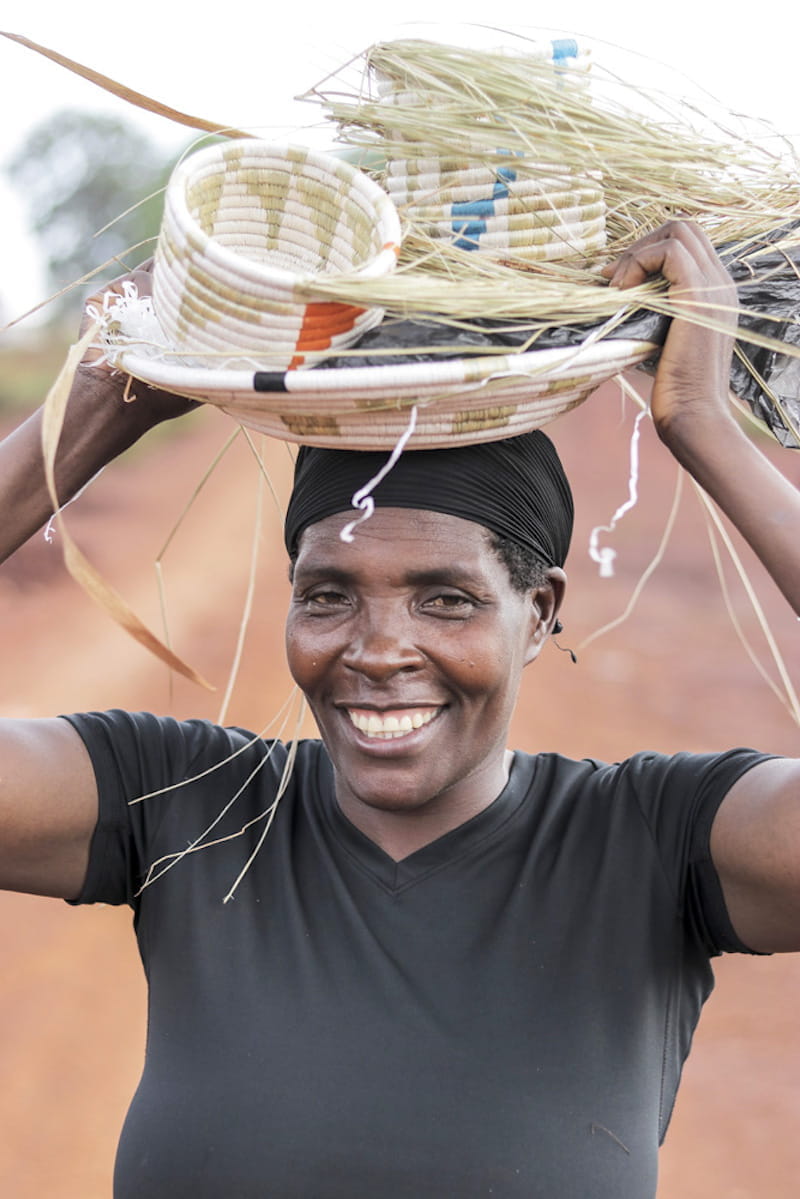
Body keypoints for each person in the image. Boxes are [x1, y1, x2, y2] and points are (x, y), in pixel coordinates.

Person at [1, 221, 799, 1197]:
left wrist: (704, 426)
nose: (376, 650)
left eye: (445, 598)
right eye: (328, 593)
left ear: (538, 611)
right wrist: (95, 406)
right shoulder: (186, 804)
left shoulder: (650, 846)